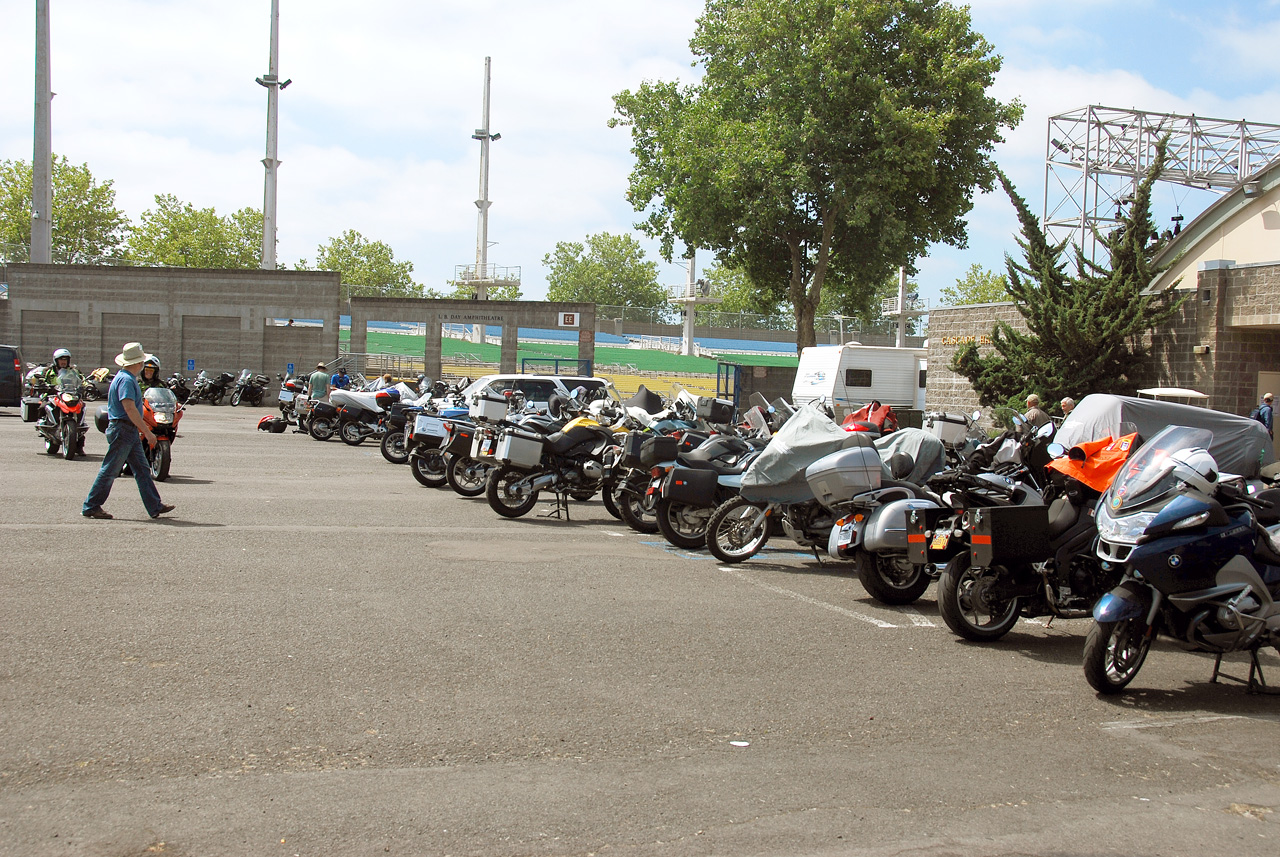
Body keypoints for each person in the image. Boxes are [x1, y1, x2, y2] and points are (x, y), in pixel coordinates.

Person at [82, 342, 175, 520]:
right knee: (110, 469)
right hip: (123, 429)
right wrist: (147, 432)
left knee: (141, 469)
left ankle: (154, 505)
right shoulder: (126, 380)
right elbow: (129, 408)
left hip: (127, 430)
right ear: (137, 363)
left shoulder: (124, 377)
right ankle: (91, 505)